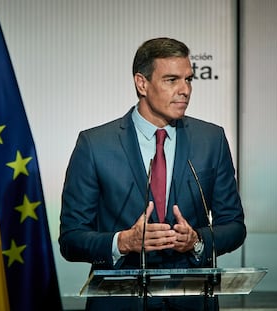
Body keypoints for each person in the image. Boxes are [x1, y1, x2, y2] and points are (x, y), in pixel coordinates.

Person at [59, 37, 246, 311]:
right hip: (121, 302)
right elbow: (71, 239)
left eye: (188, 79)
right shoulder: (95, 145)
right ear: (142, 83)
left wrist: (197, 241)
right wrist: (122, 242)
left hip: (191, 301)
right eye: (172, 80)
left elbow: (234, 226)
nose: (184, 90)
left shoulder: (211, 139)